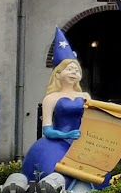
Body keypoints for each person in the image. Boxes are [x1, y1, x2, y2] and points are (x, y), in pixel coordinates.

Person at [22, 29, 90, 182]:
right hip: (58, 144)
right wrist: (66, 135)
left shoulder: (85, 97)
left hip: (82, 144)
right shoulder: (51, 98)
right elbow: (47, 130)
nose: (73, 73)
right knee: (52, 172)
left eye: (76, 70)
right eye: (69, 69)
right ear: (58, 74)